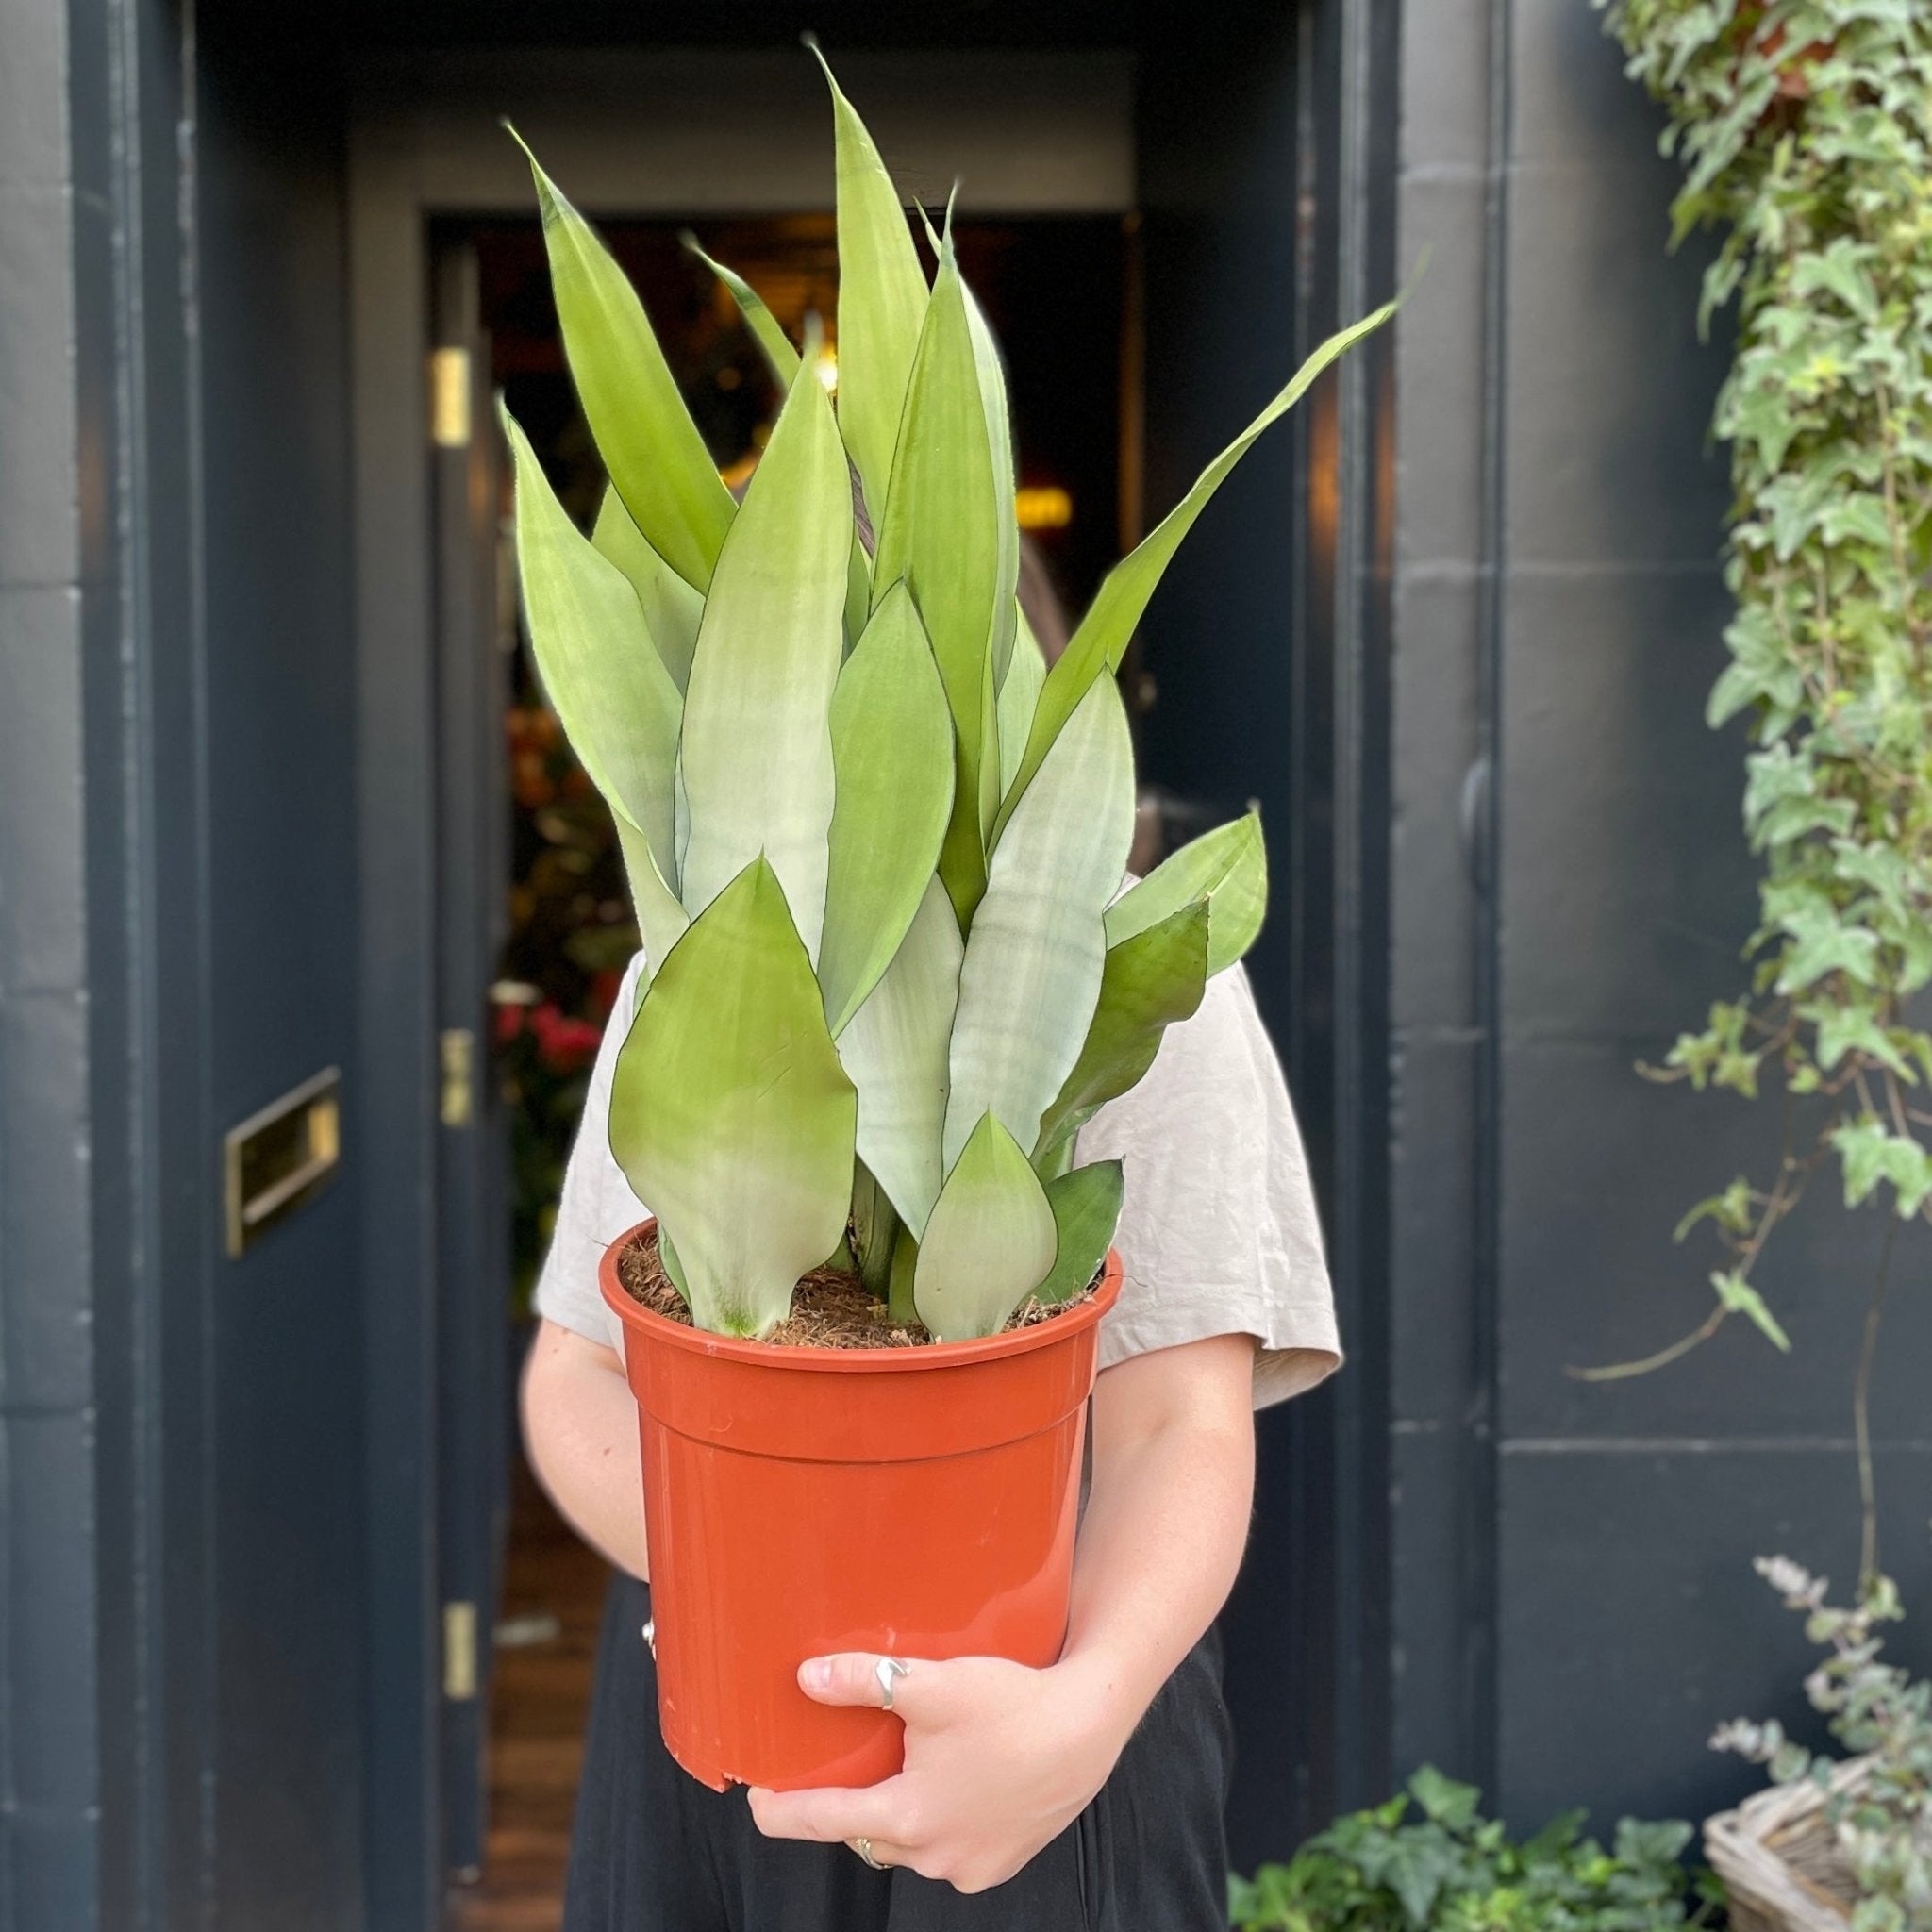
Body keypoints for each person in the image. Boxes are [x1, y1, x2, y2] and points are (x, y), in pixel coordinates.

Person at [521, 559, 1341, 1930]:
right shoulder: (709, 969)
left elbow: (1174, 1427)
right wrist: (753, 1587)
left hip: (1043, 1709)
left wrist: (1076, 1721)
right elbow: (578, 1370)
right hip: (722, 1701)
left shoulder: (1126, 964)